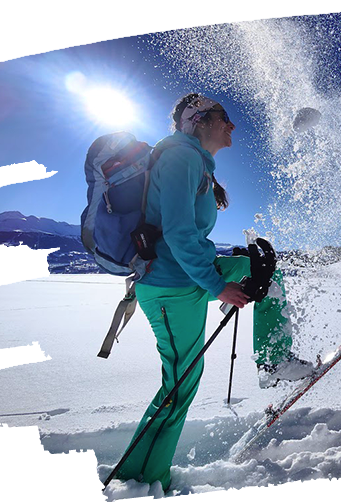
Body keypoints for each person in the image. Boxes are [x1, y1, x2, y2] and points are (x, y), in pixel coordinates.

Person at [114, 93, 314, 490]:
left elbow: (186, 234)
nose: (232, 125)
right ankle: (138, 480)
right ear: (199, 120)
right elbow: (177, 232)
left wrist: (238, 261)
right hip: (169, 288)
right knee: (180, 384)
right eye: (224, 117)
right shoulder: (180, 157)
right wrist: (219, 286)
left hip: (188, 277)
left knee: (266, 273)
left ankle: (274, 360)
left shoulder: (197, 163)